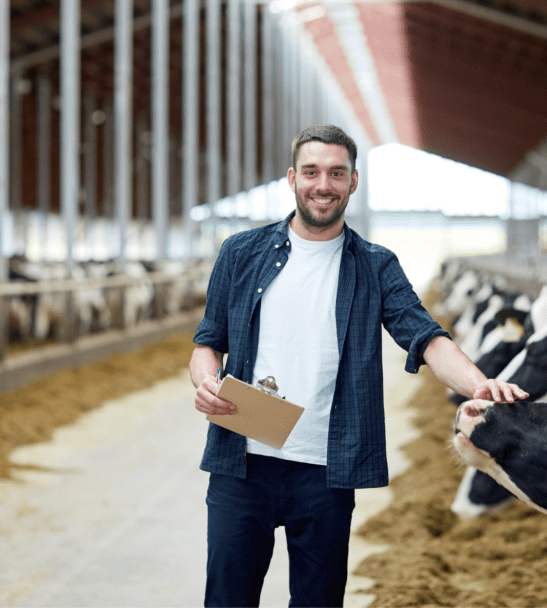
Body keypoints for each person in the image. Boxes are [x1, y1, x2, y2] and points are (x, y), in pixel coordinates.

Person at [190, 124, 528, 607]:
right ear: (291, 178)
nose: (321, 185)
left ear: (353, 182)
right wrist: (205, 380)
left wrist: (481, 385)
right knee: (227, 599)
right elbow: (208, 343)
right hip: (243, 462)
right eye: (311, 172)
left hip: (326, 470)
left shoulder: (375, 265)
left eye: (335, 173)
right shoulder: (240, 253)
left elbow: (427, 337)